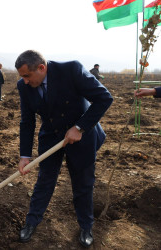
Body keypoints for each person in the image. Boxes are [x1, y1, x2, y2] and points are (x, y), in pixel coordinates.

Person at [15, 50, 113, 247]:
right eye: (22, 76)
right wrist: (25, 155)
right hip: (51, 135)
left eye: (27, 75)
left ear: (41, 68)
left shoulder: (71, 70)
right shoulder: (24, 86)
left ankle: (86, 226)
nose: (24, 81)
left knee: (82, 182)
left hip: (82, 135)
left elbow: (104, 98)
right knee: (44, 181)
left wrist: (79, 128)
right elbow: (27, 121)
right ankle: (32, 222)